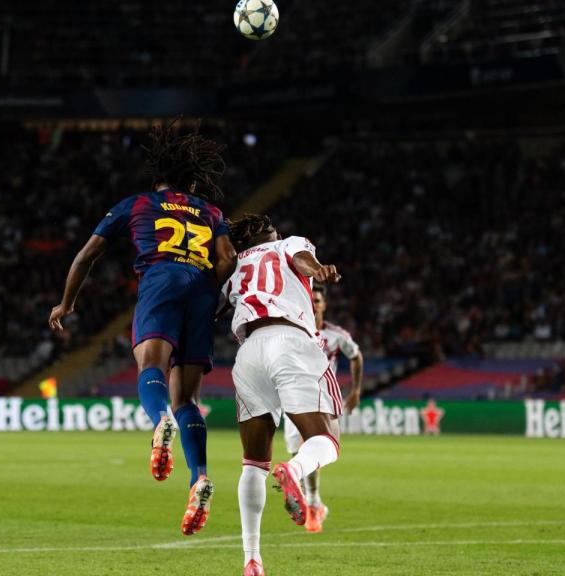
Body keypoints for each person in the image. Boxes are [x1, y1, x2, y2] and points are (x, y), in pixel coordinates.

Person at [48, 123, 237, 536]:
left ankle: (160, 420)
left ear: (159, 179)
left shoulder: (138, 203)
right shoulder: (211, 212)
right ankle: (199, 476)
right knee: (188, 397)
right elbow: (228, 258)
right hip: (202, 288)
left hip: (161, 277)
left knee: (151, 366)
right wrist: (212, 292)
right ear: (191, 181)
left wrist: (67, 303)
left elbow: (86, 256)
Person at [220, 213, 342, 576]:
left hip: (248, 352)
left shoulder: (231, 269)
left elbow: (213, 309)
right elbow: (301, 259)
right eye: (269, 225)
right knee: (326, 441)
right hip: (290, 341)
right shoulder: (288, 243)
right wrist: (318, 270)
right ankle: (295, 469)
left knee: (253, 463)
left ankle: (252, 559)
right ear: (261, 232)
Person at [283, 284, 363, 532]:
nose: (314, 304)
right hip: (293, 396)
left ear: (324, 305)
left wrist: (356, 390)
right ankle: (314, 501)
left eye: (317, 300)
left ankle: (310, 502)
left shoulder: (335, 335)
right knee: (298, 453)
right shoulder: (293, 330)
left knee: (310, 446)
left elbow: (356, 356)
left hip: (323, 399)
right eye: (310, 299)